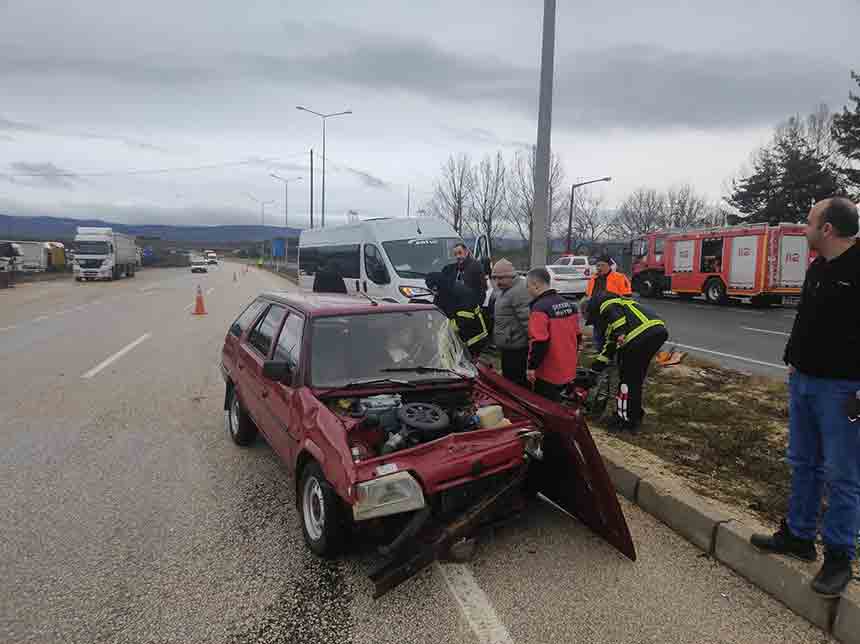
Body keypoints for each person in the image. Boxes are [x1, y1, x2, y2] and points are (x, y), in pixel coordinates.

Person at [751, 197, 860, 598]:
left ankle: (838, 556)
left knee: (843, 474)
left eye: (810, 221)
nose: (804, 227)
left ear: (828, 229)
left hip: (844, 391)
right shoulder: (818, 268)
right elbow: (807, 322)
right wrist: (794, 362)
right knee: (803, 462)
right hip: (806, 383)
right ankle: (798, 535)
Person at [584, 292, 668, 433]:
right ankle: (635, 416)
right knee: (635, 380)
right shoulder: (621, 309)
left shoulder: (604, 302)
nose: (595, 325)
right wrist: (595, 369)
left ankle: (624, 420)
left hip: (639, 336)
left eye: (592, 320)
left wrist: (620, 332)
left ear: (589, 310)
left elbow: (615, 316)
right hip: (656, 332)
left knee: (626, 382)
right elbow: (609, 348)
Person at [525, 268, 580, 402]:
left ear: (536, 285)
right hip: (568, 367)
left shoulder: (539, 308)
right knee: (564, 405)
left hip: (548, 371)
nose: (528, 290)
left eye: (528, 286)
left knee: (546, 407)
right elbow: (578, 336)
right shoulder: (570, 305)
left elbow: (540, 342)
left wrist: (532, 367)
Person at [426, 272, 488, 357]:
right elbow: (438, 312)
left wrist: (447, 328)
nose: (434, 293)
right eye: (431, 290)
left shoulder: (460, 292)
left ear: (438, 285)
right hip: (459, 336)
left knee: (471, 361)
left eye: (434, 289)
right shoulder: (442, 292)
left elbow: (467, 316)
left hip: (474, 335)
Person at [491, 259, 531, 387]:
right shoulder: (507, 289)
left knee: (517, 383)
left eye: (501, 278)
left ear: (511, 276)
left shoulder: (519, 291)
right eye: (495, 278)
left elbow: (528, 321)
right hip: (509, 345)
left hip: (517, 348)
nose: (498, 282)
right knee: (509, 380)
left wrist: (533, 348)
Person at [585, 255, 632, 352]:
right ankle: (600, 353)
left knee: (613, 338)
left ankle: (612, 356)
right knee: (598, 336)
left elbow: (627, 296)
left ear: (609, 266)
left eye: (602, 265)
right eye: (597, 266)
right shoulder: (593, 279)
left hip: (614, 314)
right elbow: (589, 296)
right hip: (597, 314)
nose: (599, 268)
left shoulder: (619, 277)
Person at [441, 242, 486, 308]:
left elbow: (482, 289)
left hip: (471, 306)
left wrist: (476, 305)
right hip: (457, 306)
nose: (458, 256)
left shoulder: (476, 266)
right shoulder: (453, 268)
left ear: (466, 252)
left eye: (460, 253)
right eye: (455, 254)